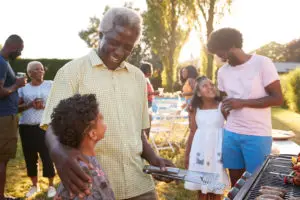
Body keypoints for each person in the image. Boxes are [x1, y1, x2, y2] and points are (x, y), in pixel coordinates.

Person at [40, 7, 174, 200]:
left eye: (128, 47)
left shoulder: (137, 77)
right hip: (93, 186)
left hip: (139, 186)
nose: (119, 52)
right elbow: (52, 125)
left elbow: (139, 132)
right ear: (100, 34)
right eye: (114, 42)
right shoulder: (71, 72)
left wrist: (154, 158)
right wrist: (58, 153)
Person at [207, 28, 283, 186]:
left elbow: (277, 98)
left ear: (233, 45)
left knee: (257, 185)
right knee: (237, 186)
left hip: (257, 135)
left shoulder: (262, 63)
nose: (219, 57)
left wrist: (242, 103)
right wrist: (224, 108)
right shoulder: (222, 72)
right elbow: (224, 99)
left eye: (221, 52)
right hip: (231, 135)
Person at [52, 94, 115, 200]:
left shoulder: (88, 161)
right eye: (101, 119)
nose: (105, 123)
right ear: (93, 134)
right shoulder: (83, 171)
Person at [184, 76, 230, 200]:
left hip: (216, 151)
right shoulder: (195, 109)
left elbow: (231, 128)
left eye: (211, 84)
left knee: (216, 188)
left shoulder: (222, 106)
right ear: (198, 93)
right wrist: (187, 155)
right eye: (205, 86)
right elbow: (193, 131)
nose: (210, 87)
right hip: (200, 151)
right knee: (201, 189)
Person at [18, 61, 56, 198]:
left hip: (45, 126)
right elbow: (16, 108)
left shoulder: (50, 85)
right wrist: (29, 105)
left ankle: (51, 186)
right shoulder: (23, 88)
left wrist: (46, 105)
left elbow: (58, 102)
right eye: (37, 69)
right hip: (26, 127)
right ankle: (34, 185)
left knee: (47, 156)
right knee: (30, 157)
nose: (41, 71)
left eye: (41, 69)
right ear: (30, 73)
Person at [0, 35, 25, 200]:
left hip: (6, 115)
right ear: (14, 46)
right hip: (4, 118)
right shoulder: (1, 63)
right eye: (20, 49)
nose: (21, 53)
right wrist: (17, 85)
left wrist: (14, 90)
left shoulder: (4, 62)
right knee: (2, 158)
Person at [139, 62, 159, 139]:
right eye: (151, 69)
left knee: (148, 122)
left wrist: (155, 93)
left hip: (148, 103)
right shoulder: (142, 78)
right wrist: (154, 92)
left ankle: (146, 139)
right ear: (147, 70)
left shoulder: (146, 79)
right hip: (145, 103)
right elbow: (142, 92)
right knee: (146, 123)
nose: (152, 71)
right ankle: (144, 139)